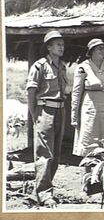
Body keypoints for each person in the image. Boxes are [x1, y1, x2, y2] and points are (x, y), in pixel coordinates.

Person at [26, 30, 67, 208]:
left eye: (62, 44)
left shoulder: (63, 66)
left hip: (60, 111)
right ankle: (45, 194)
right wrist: (35, 114)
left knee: (56, 155)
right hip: (45, 111)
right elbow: (30, 92)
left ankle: (38, 193)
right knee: (44, 154)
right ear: (48, 47)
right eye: (57, 44)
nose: (61, 47)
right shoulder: (39, 66)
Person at [71, 38, 104, 162]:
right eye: (99, 48)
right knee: (90, 138)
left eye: (103, 48)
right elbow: (76, 92)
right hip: (90, 106)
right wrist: (74, 115)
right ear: (92, 51)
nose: (102, 51)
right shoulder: (83, 67)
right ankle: (90, 176)